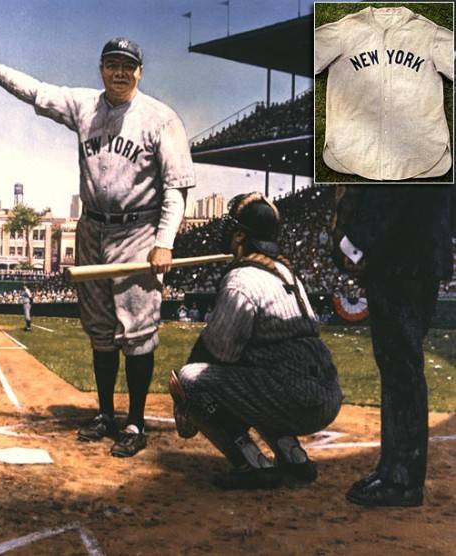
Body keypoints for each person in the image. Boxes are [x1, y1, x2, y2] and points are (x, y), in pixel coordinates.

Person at [0, 36, 195, 457]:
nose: (119, 72)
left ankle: (134, 421)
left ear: (140, 72)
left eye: (127, 66)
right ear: (101, 69)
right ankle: (105, 414)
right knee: (100, 331)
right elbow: (34, 91)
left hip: (137, 232)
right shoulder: (84, 105)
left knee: (136, 332)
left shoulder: (160, 118)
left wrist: (164, 242)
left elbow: (176, 188)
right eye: (112, 64)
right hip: (92, 231)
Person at [170, 193, 343, 490]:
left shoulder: (242, 279)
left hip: (297, 398)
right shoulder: (287, 273)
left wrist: (188, 402)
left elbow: (218, 352)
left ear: (240, 235)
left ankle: (252, 464)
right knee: (259, 376)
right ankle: (293, 457)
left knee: (189, 378)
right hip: (327, 393)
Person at [333, 185, 453, 507]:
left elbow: (389, 192)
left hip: (399, 254)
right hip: (417, 252)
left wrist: (354, 242)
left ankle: (401, 478)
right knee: (400, 363)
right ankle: (394, 469)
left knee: (400, 364)